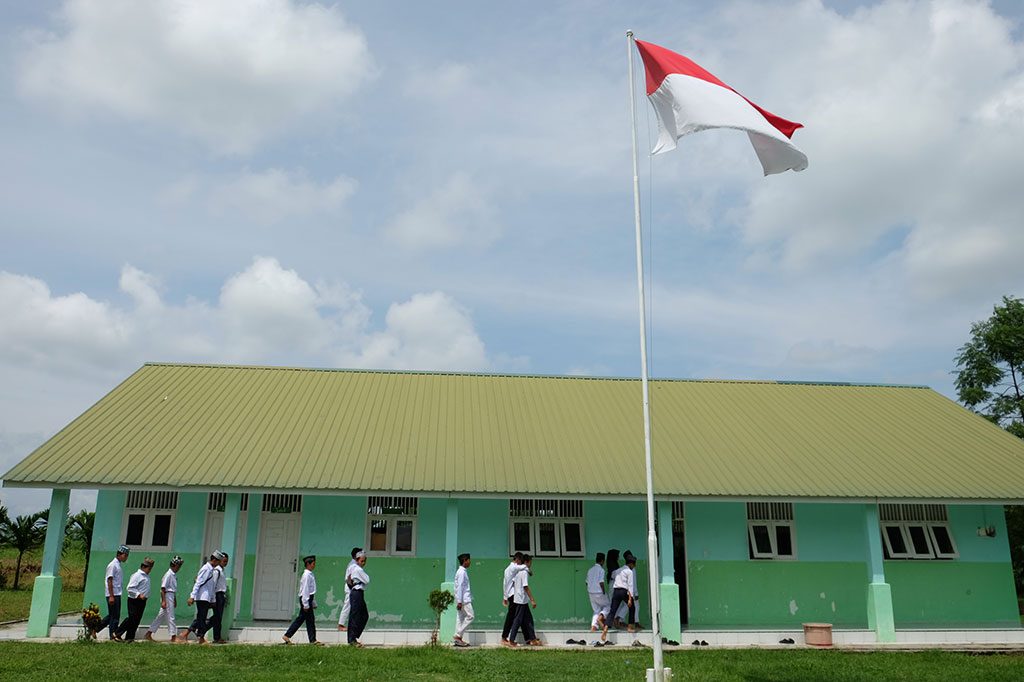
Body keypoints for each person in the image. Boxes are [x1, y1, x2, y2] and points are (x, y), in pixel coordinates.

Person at [182, 551, 222, 645]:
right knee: (202, 618)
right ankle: (201, 638)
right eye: (218, 561)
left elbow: (212, 586)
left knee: (201, 618)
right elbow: (198, 583)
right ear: (214, 560)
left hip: (206, 598)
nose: (218, 564)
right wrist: (192, 596)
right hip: (202, 597)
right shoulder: (206, 569)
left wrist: (212, 599)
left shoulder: (212, 570)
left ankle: (187, 634)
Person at [283, 555, 324, 645]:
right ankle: (312, 640)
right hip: (306, 599)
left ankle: (287, 635)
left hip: (308, 599)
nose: (314, 566)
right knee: (309, 620)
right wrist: (306, 603)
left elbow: (311, 591)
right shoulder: (306, 575)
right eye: (313, 564)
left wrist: (313, 602)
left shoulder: (310, 574)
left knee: (302, 619)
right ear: (308, 564)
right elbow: (305, 590)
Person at [94, 545, 130, 640]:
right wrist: (111, 596)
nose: (126, 557)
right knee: (115, 617)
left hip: (117, 593)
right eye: (125, 555)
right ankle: (113, 635)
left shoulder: (118, 565)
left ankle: (96, 629)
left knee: (112, 615)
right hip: (113, 594)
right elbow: (109, 580)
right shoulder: (113, 565)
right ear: (119, 554)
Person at [115, 557, 154, 642]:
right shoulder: (137, 575)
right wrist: (139, 594)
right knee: (132, 618)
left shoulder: (146, 576)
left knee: (136, 620)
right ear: (143, 567)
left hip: (142, 601)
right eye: (148, 568)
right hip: (134, 600)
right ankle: (117, 632)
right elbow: (130, 588)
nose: (149, 571)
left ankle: (130, 637)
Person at [145, 556, 184, 642]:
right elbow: (163, 588)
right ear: (173, 565)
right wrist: (164, 601)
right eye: (177, 567)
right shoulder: (168, 574)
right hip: (167, 595)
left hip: (171, 595)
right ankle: (173, 636)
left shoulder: (173, 575)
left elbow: (173, 589)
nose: (178, 569)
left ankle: (149, 633)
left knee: (160, 617)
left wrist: (174, 599)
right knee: (171, 616)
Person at [507, 554, 541, 646]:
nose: (531, 564)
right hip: (521, 599)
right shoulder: (524, 572)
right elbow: (525, 586)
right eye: (530, 562)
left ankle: (533, 639)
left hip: (521, 599)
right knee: (517, 620)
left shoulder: (518, 571)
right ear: (526, 562)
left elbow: (514, 583)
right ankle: (511, 640)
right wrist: (532, 599)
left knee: (528, 619)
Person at [604, 554, 638, 639]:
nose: (633, 567)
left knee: (612, 611)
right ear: (631, 564)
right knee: (632, 608)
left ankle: (605, 628)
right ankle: (630, 627)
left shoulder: (618, 570)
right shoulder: (629, 572)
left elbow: (612, 576)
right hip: (624, 591)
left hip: (616, 591)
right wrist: (630, 599)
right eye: (633, 565)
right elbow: (630, 586)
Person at [500, 552, 530, 646]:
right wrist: (529, 570)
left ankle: (528, 637)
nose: (521, 563)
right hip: (513, 595)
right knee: (513, 616)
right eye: (520, 561)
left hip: (511, 594)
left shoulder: (508, 569)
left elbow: (505, 584)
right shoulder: (513, 567)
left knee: (520, 615)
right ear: (517, 559)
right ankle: (505, 637)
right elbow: (523, 567)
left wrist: (505, 597)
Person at [346, 551, 370, 647]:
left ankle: (354, 636)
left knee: (363, 615)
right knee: (355, 616)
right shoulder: (357, 570)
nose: (363, 563)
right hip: (356, 593)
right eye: (361, 561)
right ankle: (352, 639)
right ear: (357, 560)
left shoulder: (354, 568)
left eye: (364, 561)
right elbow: (367, 580)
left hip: (359, 593)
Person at [337, 546, 362, 631]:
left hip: (352, 587)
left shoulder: (355, 564)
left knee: (354, 606)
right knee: (347, 605)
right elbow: (350, 578)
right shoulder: (353, 565)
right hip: (350, 587)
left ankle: (354, 623)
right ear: (355, 556)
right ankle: (340, 624)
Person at [453, 553, 473, 647]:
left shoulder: (462, 571)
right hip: (464, 599)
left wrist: (458, 600)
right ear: (465, 561)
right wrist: (460, 601)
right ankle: (458, 635)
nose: (470, 562)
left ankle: (458, 640)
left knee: (460, 618)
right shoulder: (461, 572)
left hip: (462, 599)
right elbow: (460, 587)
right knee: (470, 616)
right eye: (468, 560)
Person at [585, 552, 610, 631]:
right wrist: (604, 592)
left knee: (596, 610)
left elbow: (586, 582)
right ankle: (601, 618)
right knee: (608, 606)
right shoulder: (601, 570)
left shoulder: (590, 570)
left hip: (591, 593)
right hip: (599, 592)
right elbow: (601, 582)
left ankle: (594, 626)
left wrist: (590, 588)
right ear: (602, 561)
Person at [211, 551, 229, 643]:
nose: (225, 563)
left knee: (217, 617)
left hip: (221, 595)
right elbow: (213, 585)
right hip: (217, 595)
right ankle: (216, 637)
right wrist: (213, 598)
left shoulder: (222, 570)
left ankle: (200, 629)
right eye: (224, 561)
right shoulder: (217, 570)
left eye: (226, 561)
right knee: (217, 618)